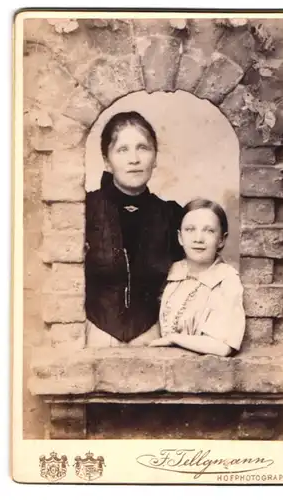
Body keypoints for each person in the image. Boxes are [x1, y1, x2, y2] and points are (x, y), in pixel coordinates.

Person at [85, 111, 183, 347]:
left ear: (155, 157)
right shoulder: (84, 209)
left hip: (153, 337)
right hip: (95, 334)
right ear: (107, 160)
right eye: (122, 150)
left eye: (143, 148)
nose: (134, 159)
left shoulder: (172, 215)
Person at [150, 198, 245, 356]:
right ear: (180, 237)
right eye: (190, 229)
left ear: (221, 239)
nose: (198, 238)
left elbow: (222, 347)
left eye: (209, 231)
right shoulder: (171, 272)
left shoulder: (226, 279)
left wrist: (174, 339)